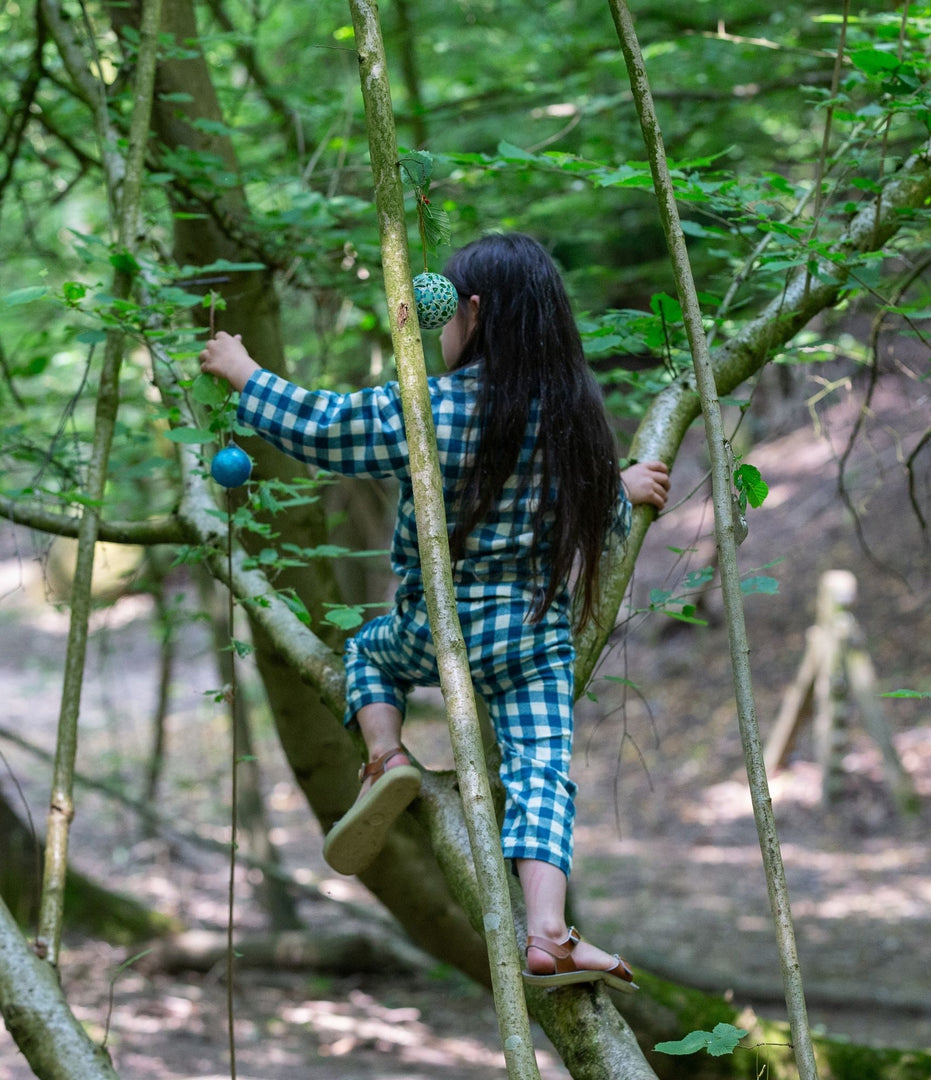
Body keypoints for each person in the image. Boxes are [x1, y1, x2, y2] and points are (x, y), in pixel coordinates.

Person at [200, 232, 670, 992]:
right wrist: (627, 486)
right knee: (543, 771)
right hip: (533, 638)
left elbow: (324, 428)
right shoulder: (576, 420)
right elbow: (605, 522)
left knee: (370, 651)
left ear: (474, 312)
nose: (440, 328)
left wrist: (245, 375)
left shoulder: (432, 410)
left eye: (446, 311)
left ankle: (386, 757)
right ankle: (547, 932)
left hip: (439, 634)